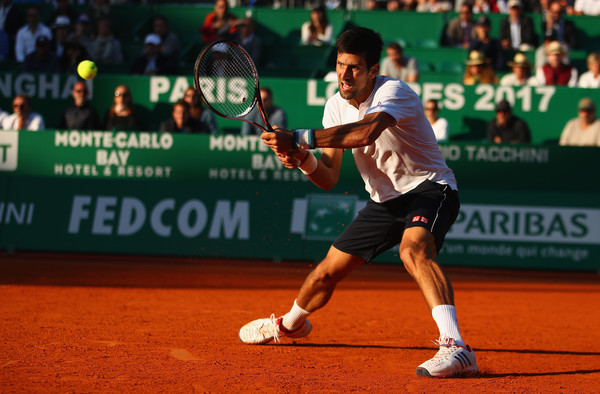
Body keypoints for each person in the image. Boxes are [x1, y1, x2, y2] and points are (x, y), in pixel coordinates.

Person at [242, 27, 478, 379]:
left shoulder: (394, 91)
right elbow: (329, 176)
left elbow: (365, 132)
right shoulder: (334, 107)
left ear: (373, 69)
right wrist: (302, 159)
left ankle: (456, 347)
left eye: (354, 67)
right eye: (340, 65)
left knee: (413, 250)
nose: (345, 75)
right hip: (384, 202)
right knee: (325, 272)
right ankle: (289, 325)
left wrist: (299, 138)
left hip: (429, 188)